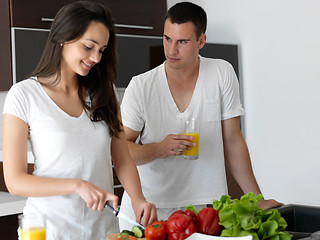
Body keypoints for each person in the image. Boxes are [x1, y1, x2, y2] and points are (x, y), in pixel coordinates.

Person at [118, 1, 282, 230]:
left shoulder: (221, 73)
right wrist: (159, 149)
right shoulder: (141, 86)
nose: (171, 50)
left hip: (204, 210)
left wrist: (257, 200)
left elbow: (232, 140)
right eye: (167, 39)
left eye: (182, 42)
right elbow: (121, 150)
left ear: (201, 41)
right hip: (148, 211)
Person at [2, 1, 157, 239]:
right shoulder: (24, 95)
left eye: (102, 50)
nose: (96, 57)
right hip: (49, 230)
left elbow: (122, 158)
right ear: (63, 37)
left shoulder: (103, 93)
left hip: (102, 230)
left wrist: (138, 200)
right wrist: (77, 185)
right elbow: (15, 181)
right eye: (89, 46)